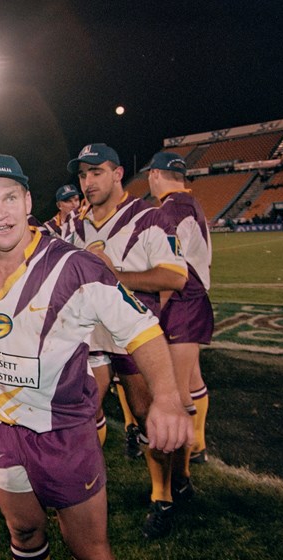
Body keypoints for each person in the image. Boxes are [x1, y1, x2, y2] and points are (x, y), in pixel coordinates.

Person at [0, 153, 192, 560]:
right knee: (24, 531)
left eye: (10, 198)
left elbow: (143, 330)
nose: (1, 214)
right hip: (0, 431)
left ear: (28, 202)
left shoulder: (76, 266)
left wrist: (169, 398)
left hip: (64, 433)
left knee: (88, 547)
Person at [63, 143, 190, 538]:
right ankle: (77, 488)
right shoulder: (74, 225)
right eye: (82, 175)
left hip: (133, 337)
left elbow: (175, 276)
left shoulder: (149, 217)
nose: (88, 182)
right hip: (89, 338)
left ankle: (164, 495)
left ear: (118, 173)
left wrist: (112, 278)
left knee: (150, 414)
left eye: (96, 172)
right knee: (79, 413)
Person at [143, 151, 214, 480]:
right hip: (196, 300)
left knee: (177, 390)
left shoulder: (170, 209)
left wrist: (158, 308)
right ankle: (198, 444)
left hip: (183, 302)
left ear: (154, 175)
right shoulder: (191, 203)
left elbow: (173, 271)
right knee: (193, 379)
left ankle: (181, 474)